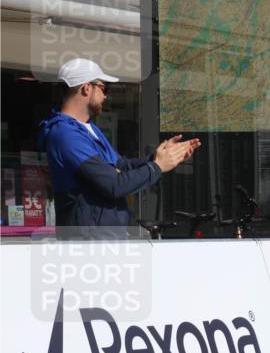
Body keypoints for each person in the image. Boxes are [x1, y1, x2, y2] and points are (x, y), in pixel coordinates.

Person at [38, 58, 200, 229]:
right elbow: (114, 184)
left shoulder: (88, 128)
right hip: (87, 243)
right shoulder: (65, 135)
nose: (106, 95)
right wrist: (157, 166)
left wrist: (158, 157)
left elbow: (120, 166)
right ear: (86, 88)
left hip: (104, 238)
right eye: (103, 88)